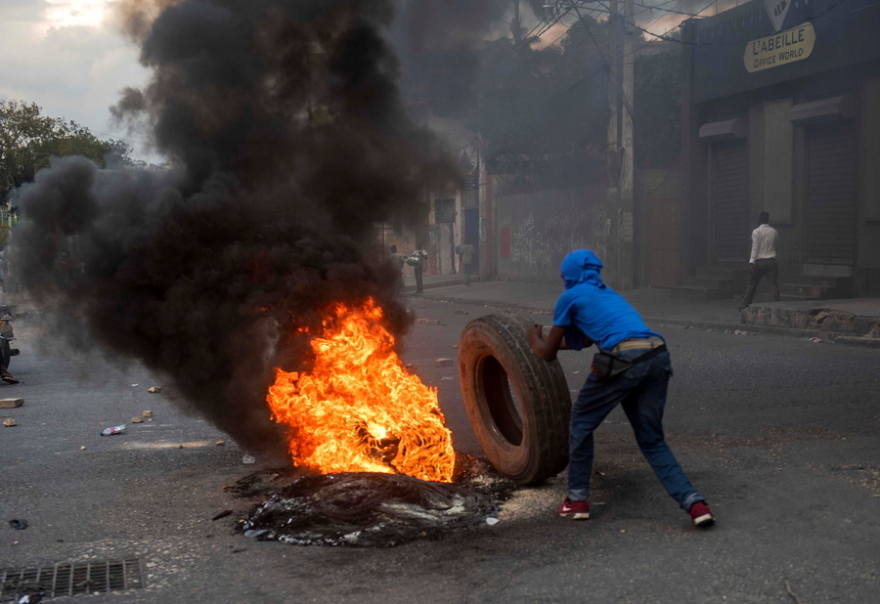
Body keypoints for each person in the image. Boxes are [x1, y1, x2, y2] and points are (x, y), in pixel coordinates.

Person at [527, 249, 715, 527]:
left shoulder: (569, 296)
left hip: (624, 359)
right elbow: (588, 340)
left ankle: (576, 500)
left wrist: (533, 335)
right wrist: (548, 342)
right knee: (652, 441)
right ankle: (694, 503)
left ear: (568, 275)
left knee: (580, 424)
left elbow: (547, 353)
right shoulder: (609, 295)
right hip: (657, 355)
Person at [740, 211, 779, 311]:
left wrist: (751, 262)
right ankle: (778, 306)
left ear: (759, 220)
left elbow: (755, 247)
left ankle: (745, 306)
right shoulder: (774, 231)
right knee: (773, 285)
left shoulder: (756, 232)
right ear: (768, 220)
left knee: (752, 285)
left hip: (759, 262)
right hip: (771, 261)